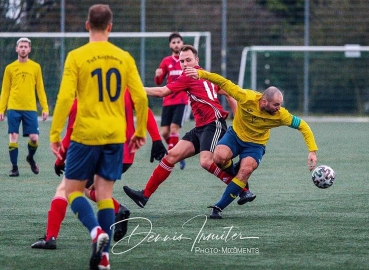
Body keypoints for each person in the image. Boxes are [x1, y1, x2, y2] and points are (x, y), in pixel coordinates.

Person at [49, 4, 148, 270]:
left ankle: (96, 233)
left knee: (72, 190)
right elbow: (140, 97)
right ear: (110, 27)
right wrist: (139, 132)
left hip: (85, 134)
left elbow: (65, 97)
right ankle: (104, 258)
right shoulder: (124, 57)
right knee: (104, 193)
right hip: (115, 135)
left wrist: (55, 133)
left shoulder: (77, 56)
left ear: (86, 25)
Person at [123, 45, 256, 209]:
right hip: (200, 128)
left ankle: (241, 189)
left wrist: (134, 88)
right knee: (171, 156)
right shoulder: (208, 76)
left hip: (213, 124)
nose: (185, 64)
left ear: (196, 60)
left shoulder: (188, 77)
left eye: (188, 60)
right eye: (182, 61)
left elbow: (162, 92)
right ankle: (144, 196)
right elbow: (228, 93)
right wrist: (239, 121)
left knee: (206, 162)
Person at [32, 92, 166, 250]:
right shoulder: (124, 84)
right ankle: (109, 237)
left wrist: (60, 160)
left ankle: (53, 237)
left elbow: (71, 135)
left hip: (101, 151)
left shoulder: (85, 97)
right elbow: (146, 109)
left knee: (66, 188)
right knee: (94, 190)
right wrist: (156, 140)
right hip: (126, 155)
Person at [184, 67, 318, 219]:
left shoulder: (282, 115)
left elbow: (303, 126)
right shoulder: (246, 97)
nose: (278, 108)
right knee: (219, 158)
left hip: (255, 145)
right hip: (235, 136)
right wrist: (201, 74)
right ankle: (240, 182)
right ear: (264, 101)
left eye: (280, 104)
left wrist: (312, 150)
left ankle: (218, 207)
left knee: (246, 170)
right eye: (276, 105)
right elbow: (223, 82)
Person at [0, 37, 49, 177]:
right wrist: (1, 109)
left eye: (25, 46)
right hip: (13, 108)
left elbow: (40, 89)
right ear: (16, 49)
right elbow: (5, 90)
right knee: (13, 135)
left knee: (34, 138)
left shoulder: (36, 67)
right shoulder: (9, 68)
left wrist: (45, 108)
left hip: (30, 109)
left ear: (29, 49)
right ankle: (14, 168)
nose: (23, 48)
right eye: (20, 46)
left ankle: (30, 158)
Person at [154, 32, 188, 170]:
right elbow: (158, 82)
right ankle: (179, 153)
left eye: (178, 42)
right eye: (173, 42)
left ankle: (171, 157)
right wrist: (158, 75)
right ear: (170, 45)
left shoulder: (186, 60)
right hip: (168, 101)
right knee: (164, 133)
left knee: (174, 129)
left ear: (182, 43)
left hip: (181, 99)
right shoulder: (166, 61)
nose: (176, 44)